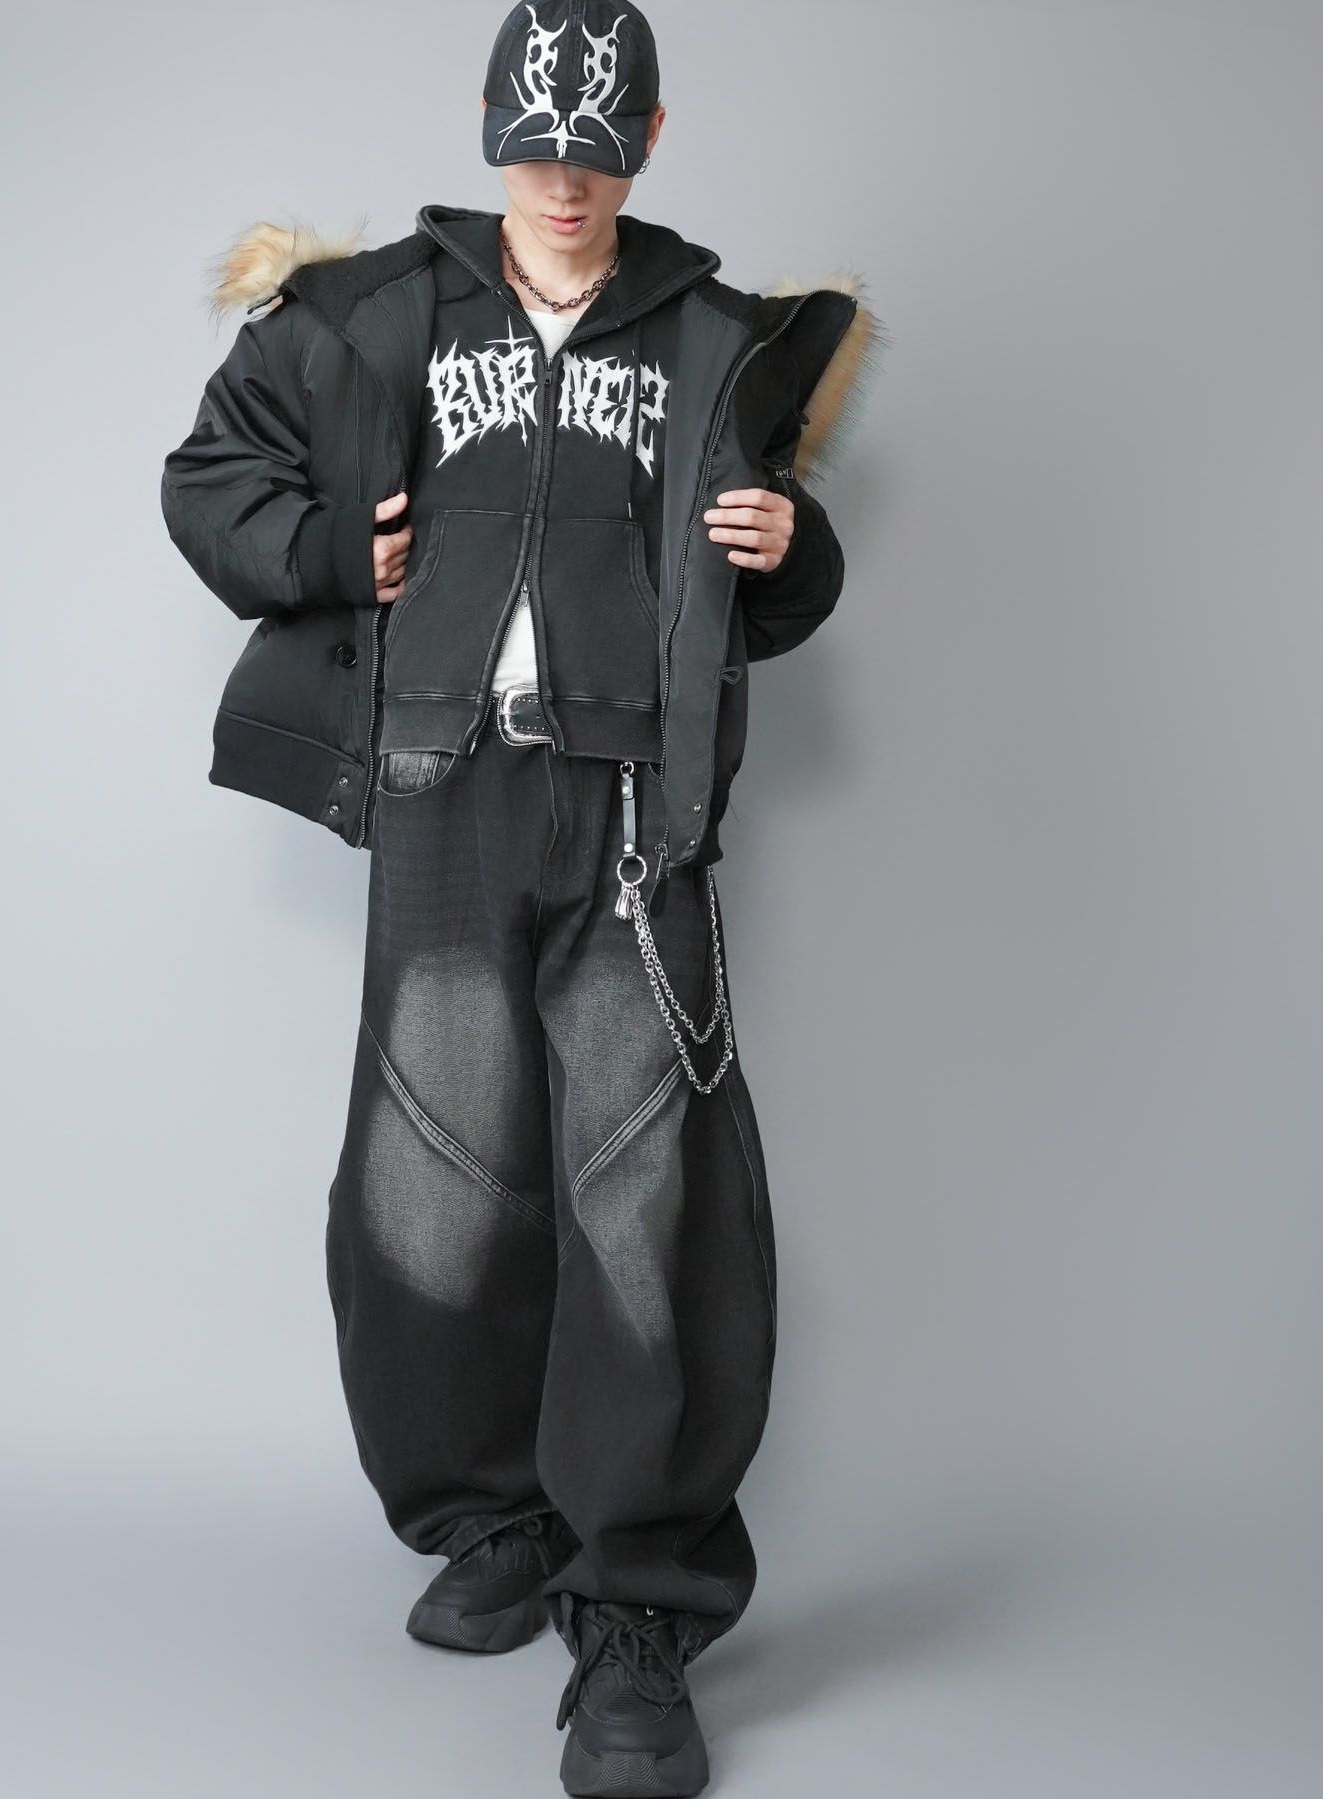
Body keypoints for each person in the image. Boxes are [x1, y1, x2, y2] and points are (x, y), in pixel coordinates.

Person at [161, 4, 881, 1790]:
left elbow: (767, 581)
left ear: (652, 139)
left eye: (599, 152)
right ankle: (489, 1516)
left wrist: (796, 549)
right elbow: (211, 480)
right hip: (439, 785)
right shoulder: (375, 314)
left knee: (655, 1199)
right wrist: (327, 552)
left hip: (635, 808)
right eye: (539, 149)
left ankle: (636, 1606)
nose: (566, 183)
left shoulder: (712, 335)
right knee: (434, 1177)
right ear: (492, 131)